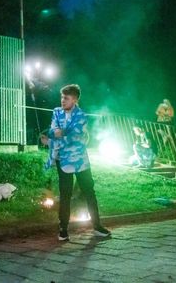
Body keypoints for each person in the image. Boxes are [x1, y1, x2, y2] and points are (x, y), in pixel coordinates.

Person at [40, 84, 111, 241]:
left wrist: (57, 136)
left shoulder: (81, 116)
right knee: (65, 194)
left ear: (75, 100)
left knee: (89, 192)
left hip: (80, 161)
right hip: (63, 160)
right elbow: (51, 130)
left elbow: (75, 136)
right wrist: (55, 134)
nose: (62, 100)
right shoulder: (56, 112)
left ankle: (97, 226)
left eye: (66, 98)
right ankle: (63, 229)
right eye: (62, 97)